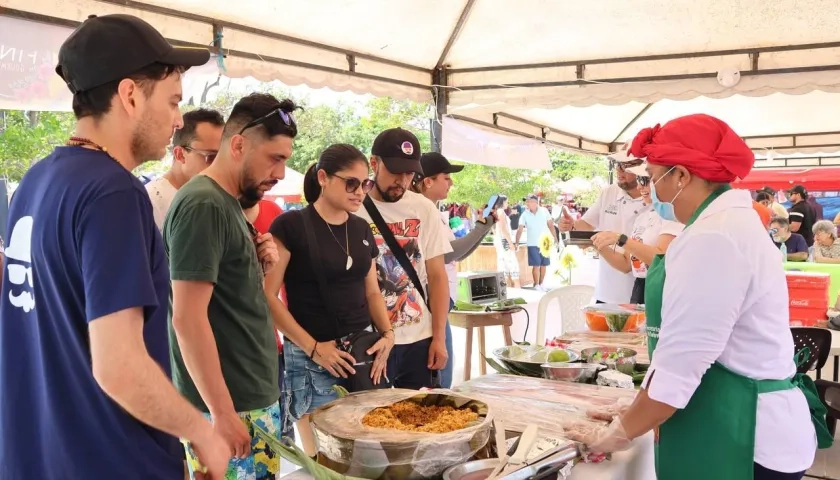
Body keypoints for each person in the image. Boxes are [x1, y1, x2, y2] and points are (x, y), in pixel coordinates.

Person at [0, 14, 229, 480]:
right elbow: (119, 367)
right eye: (172, 101)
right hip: (111, 459)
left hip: (36, 456)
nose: (177, 119)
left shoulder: (35, 182)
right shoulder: (114, 194)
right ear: (129, 95)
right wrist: (201, 432)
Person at [566, 114, 827, 480]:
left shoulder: (714, 237)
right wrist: (638, 405)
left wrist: (617, 433)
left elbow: (682, 362)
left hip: (745, 433)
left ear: (682, 176)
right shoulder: (726, 224)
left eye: (653, 178)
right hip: (739, 416)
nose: (649, 190)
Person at [164, 93, 292, 480]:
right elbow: (186, 319)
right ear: (237, 145)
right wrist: (221, 412)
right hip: (231, 407)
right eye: (275, 158)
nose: (281, 173)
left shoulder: (226, 203)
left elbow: (230, 299)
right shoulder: (204, 204)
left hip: (247, 397)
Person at [266, 144, 394, 455]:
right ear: (323, 178)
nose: (359, 192)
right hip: (312, 355)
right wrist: (312, 347)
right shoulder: (292, 225)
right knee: (323, 461)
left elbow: (372, 292)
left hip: (362, 352)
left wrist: (389, 334)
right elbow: (267, 296)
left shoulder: (361, 228)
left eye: (365, 184)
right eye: (351, 182)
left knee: (367, 456)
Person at [354, 128, 452, 389]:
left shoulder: (423, 208)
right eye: (395, 171)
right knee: (375, 423)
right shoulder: (354, 208)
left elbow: (437, 276)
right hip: (371, 339)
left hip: (420, 338)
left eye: (409, 173)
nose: (402, 180)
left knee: (422, 422)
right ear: (374, 164)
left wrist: (439, 338)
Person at [414, 152, 497, 388]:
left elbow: (457, 255)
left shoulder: (435, 212)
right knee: (440, 375)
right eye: (446, 177)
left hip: (441, 299)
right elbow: (449, 253)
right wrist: (480, 230)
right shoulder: (422, 212)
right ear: (427, 181)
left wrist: (483, 228)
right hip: (431, 299)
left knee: (442, 373)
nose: (451, 183)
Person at [558, 151, 648, 303]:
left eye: (626, 166)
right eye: (617, 164)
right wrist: (571, 225)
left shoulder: (655, 201)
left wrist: (598, 244)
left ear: (643, 168)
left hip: (640, 294)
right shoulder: (609, 192)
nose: (619, 170)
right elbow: (585, 225)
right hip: (606, 290)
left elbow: (629, 264)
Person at [591, 171, 683, 304]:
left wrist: (621, 239)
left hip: (661, 285)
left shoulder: (672, 215)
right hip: (640, 286)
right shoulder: (642, 218)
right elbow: (626, 265)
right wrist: (598, 243)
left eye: (645, 181)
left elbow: (661, 258)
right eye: (639, 181)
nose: (640, 187)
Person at [146, 108, 225, 229]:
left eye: (223, 157)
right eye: (211, 157)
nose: (218, 166)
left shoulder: (218, 198)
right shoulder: (151, 203)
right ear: (180, 155)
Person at [515, 194, 558, 291]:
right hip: (532, 243)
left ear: (535, 202)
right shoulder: (524, 214)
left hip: (545, 242)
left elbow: (551, 225)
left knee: (544, 264)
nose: (527, 203)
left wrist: (555, 237)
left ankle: (542, 283)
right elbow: (520, 229)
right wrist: (516, 242)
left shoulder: (544, 211)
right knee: (536, 264)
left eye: (529, 201)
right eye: (527, 201)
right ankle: (536, 284)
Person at [493, 196, 520, 289]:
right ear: (503, 202)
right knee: (513, 268)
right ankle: (517, 291)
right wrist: (510, 243)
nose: (507, 204)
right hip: (504, 243)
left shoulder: (498, 212)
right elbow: (503, 229)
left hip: (501, 242)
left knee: (504, 269)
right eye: (507, 202)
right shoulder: (501, 212)